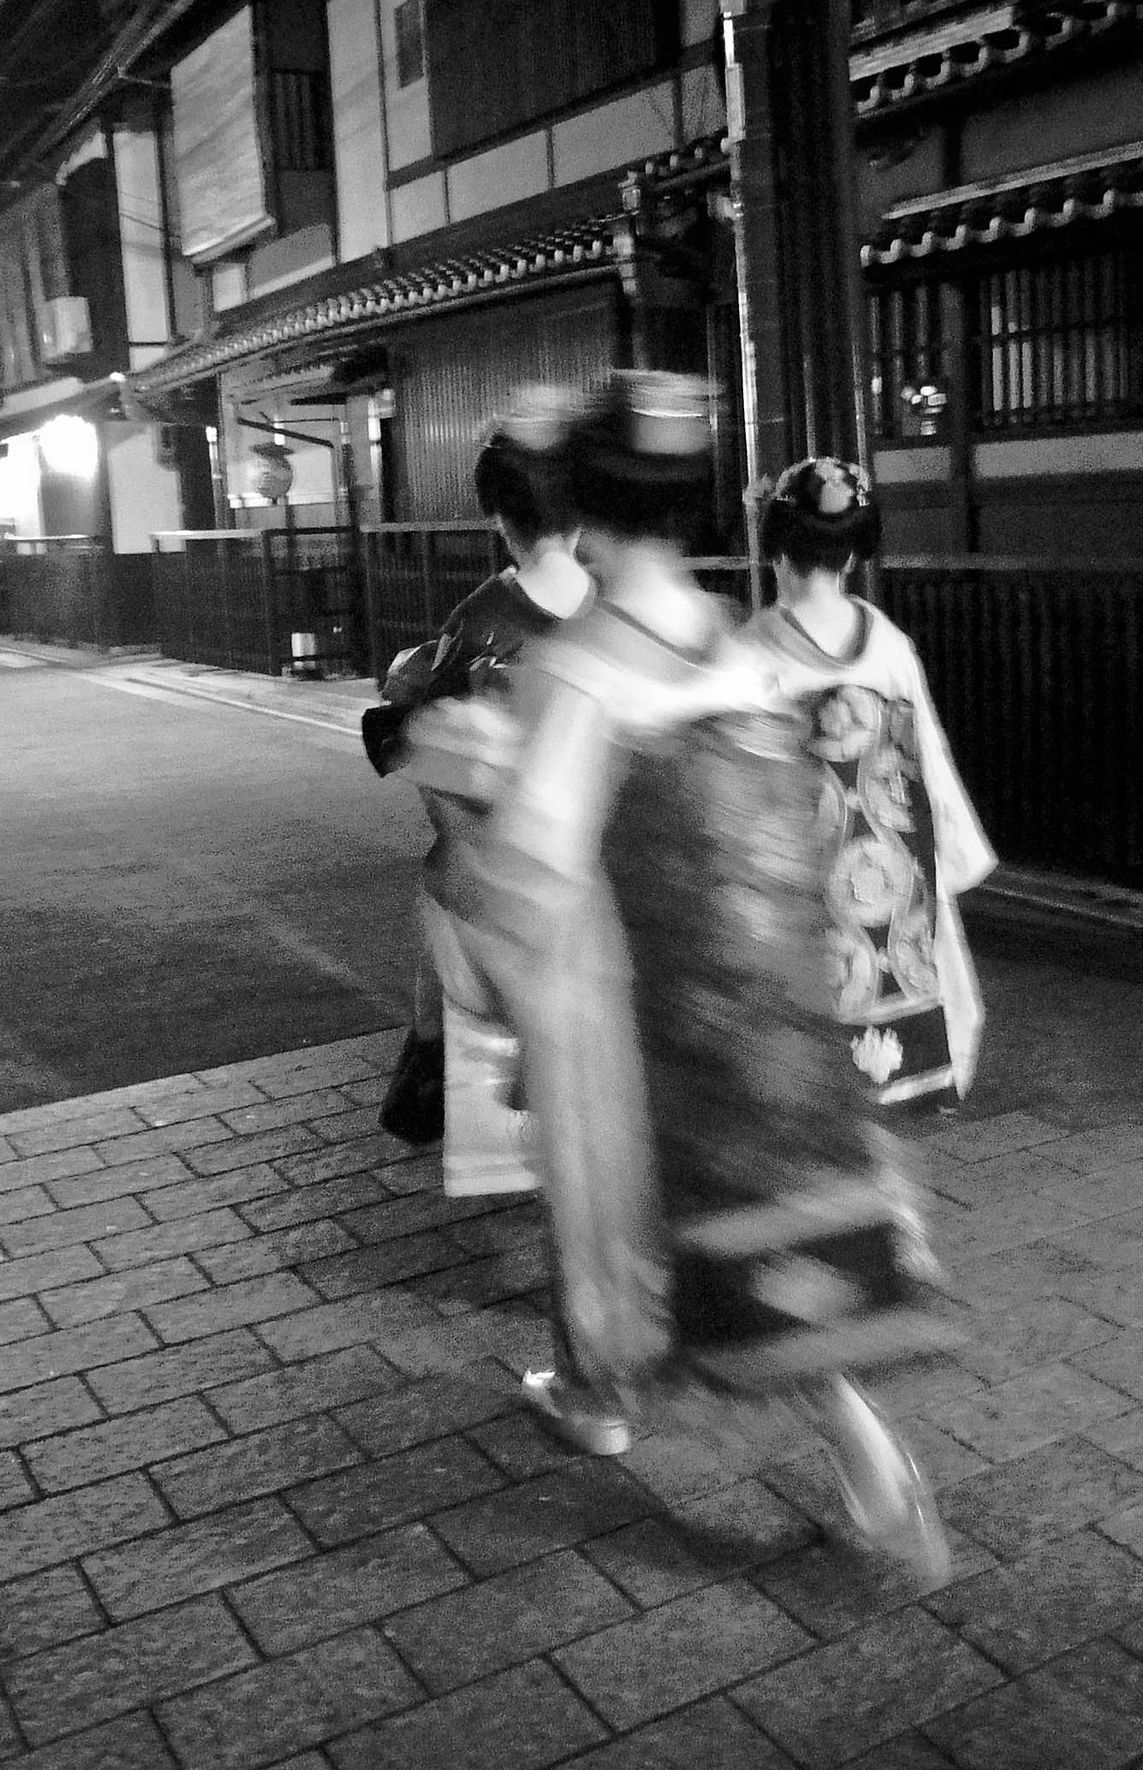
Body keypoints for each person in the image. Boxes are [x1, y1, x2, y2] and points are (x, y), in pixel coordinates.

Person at [427, 372, 954, 1582]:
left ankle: (599, 1391)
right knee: (778, 1244)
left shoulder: (580, 669)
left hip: (650, 1020)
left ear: (586, 513)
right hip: (772, 1007)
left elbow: (533, 870)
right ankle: (874, 1472)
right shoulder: (738, 637)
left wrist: (472, 784)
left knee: (631, 1222)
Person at [362, 393, 591, 1147]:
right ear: (582, 515)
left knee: (459, 958)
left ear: (500, 516)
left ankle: (439, 1069)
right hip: (593, 861)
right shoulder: (611, 613)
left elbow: (424, 739)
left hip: (493, 861)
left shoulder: (479, 622)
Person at [742, 457, 996, 1113]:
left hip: (805, 860)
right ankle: (913, 1076)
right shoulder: (888, 643)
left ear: (775, 549)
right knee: (901, 967)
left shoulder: (752, 651)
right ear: (855, 552)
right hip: (891, 860)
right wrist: (949, 855)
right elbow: (928, 758)